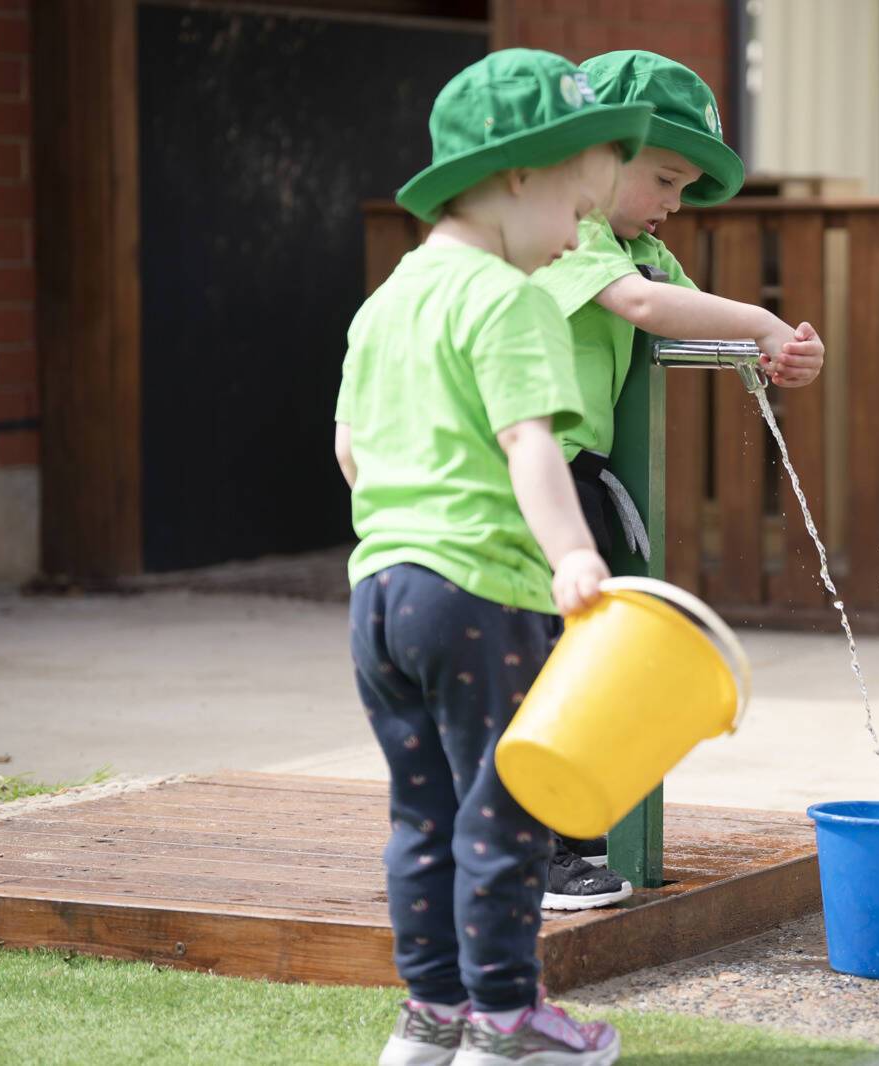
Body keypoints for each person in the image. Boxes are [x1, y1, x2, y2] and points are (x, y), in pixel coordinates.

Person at [334, 48, 650, 1065]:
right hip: (482, 593)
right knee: (511, 812)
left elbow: (348, 449)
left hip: (381, 593)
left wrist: (406, 530)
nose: (575, 238)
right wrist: (570, 553)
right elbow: (529, 441)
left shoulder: (388, 300)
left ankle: (430, 1019)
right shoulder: (509, 300)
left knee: (422, 814)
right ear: (519, 176)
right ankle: (510, 1022)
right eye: (575, 210)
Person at [530, 49, 825, 911]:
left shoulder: (635, 244)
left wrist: (777, 356)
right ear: (599, 157)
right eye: (664, 178)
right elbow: (646, 309)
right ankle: (547, 851)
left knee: (589, 649)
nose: (674, 205)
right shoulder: (574, 229)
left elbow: (696, 323)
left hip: (577, 474)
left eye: (686, 188)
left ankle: (559, 839)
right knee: (555, 654)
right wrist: (765, 320)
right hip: (531, 467)